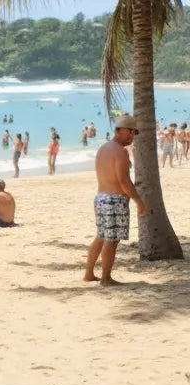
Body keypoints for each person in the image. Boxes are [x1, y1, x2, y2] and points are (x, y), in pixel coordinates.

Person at [84, 113, 147, 286]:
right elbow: (123, 180)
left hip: (101, 198)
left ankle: (89, 274)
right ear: (119, 130)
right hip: (114, 201)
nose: (132, 136)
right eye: (130, 132)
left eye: (134, 133)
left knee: (101, 236)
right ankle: (106, 278)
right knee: (112, 240)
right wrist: (138, 201)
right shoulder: (120, 152)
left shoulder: (103, 148)